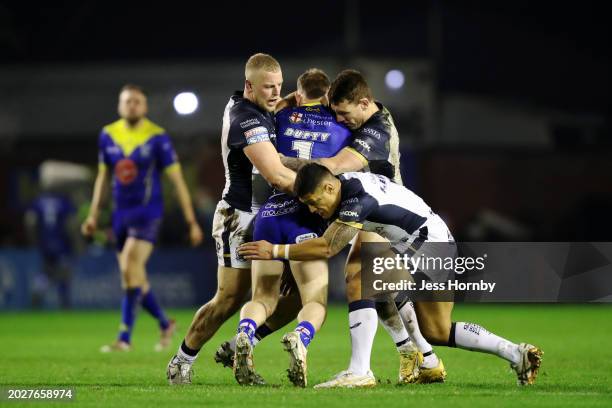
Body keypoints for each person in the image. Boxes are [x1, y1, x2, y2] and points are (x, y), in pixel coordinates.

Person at [240, 163, 544, 386]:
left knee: (359, 279)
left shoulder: (355, 200)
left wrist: (275, 252)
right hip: (432, 240)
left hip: (427, 244)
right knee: (436, 330)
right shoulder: (343, 183)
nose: (314, 210)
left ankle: (360, 371)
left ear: (330, 188)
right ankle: (515, 353)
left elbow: (328, 247)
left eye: (314, 202)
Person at [272, 69, 442, 387]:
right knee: (380, 294)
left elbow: (333, 167)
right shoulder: (364, 114)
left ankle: (368, 369)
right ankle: (420, 356)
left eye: (342, 113)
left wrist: (281, 161)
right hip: (371, 210)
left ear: (362, 103)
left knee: (358, 280)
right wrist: (289, 103)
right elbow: (327, 102)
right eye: (334, 112)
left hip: (384, 214)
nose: (338, 118)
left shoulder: (376, 130)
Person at [166, 53, 296, 385]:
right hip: (239, 218)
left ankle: (243, 345)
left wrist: (299, 98)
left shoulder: (258, 106)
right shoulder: (245, 119)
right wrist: (326, 186)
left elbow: (278, 107)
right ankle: (181, 361)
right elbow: (277, 176)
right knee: (228, 298)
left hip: (270, 218)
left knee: (293, 298)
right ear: (248, 86)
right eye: (268, 87)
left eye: (279, 87)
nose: (275, 93)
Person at [231, 68, 352, 387]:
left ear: (297, 94)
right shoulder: (341, 124)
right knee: (314, 300)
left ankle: (244, 333)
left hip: (271, 212)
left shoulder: (279, 118)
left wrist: (288, 102)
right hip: (309, 214)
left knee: (264, 297)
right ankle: (301, 337)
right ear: (328, 96)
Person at [82, 84, 203, 352]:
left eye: (137, 101)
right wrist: (93, 215)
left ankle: (124, 338)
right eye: (127, 101)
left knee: (129, 265)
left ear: (145, 107)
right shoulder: (108, 135)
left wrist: (191, 220)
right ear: (119, 105)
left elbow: (177, 179)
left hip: (148, 213)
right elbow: (103, 178)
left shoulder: (157, 137)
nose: (132, 105)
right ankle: (164, 323)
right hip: (119, 215)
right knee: (133, 277)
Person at [25, 190, 77, 309]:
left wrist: (34, 239)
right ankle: (64, 303)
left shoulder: (39, 201)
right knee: (63, 274)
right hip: (61, 243)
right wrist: (75, 242)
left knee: (46, 273)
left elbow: (30, 221)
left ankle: (38, 290)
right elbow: (71, 223)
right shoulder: (64, 201)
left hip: (45, 243)